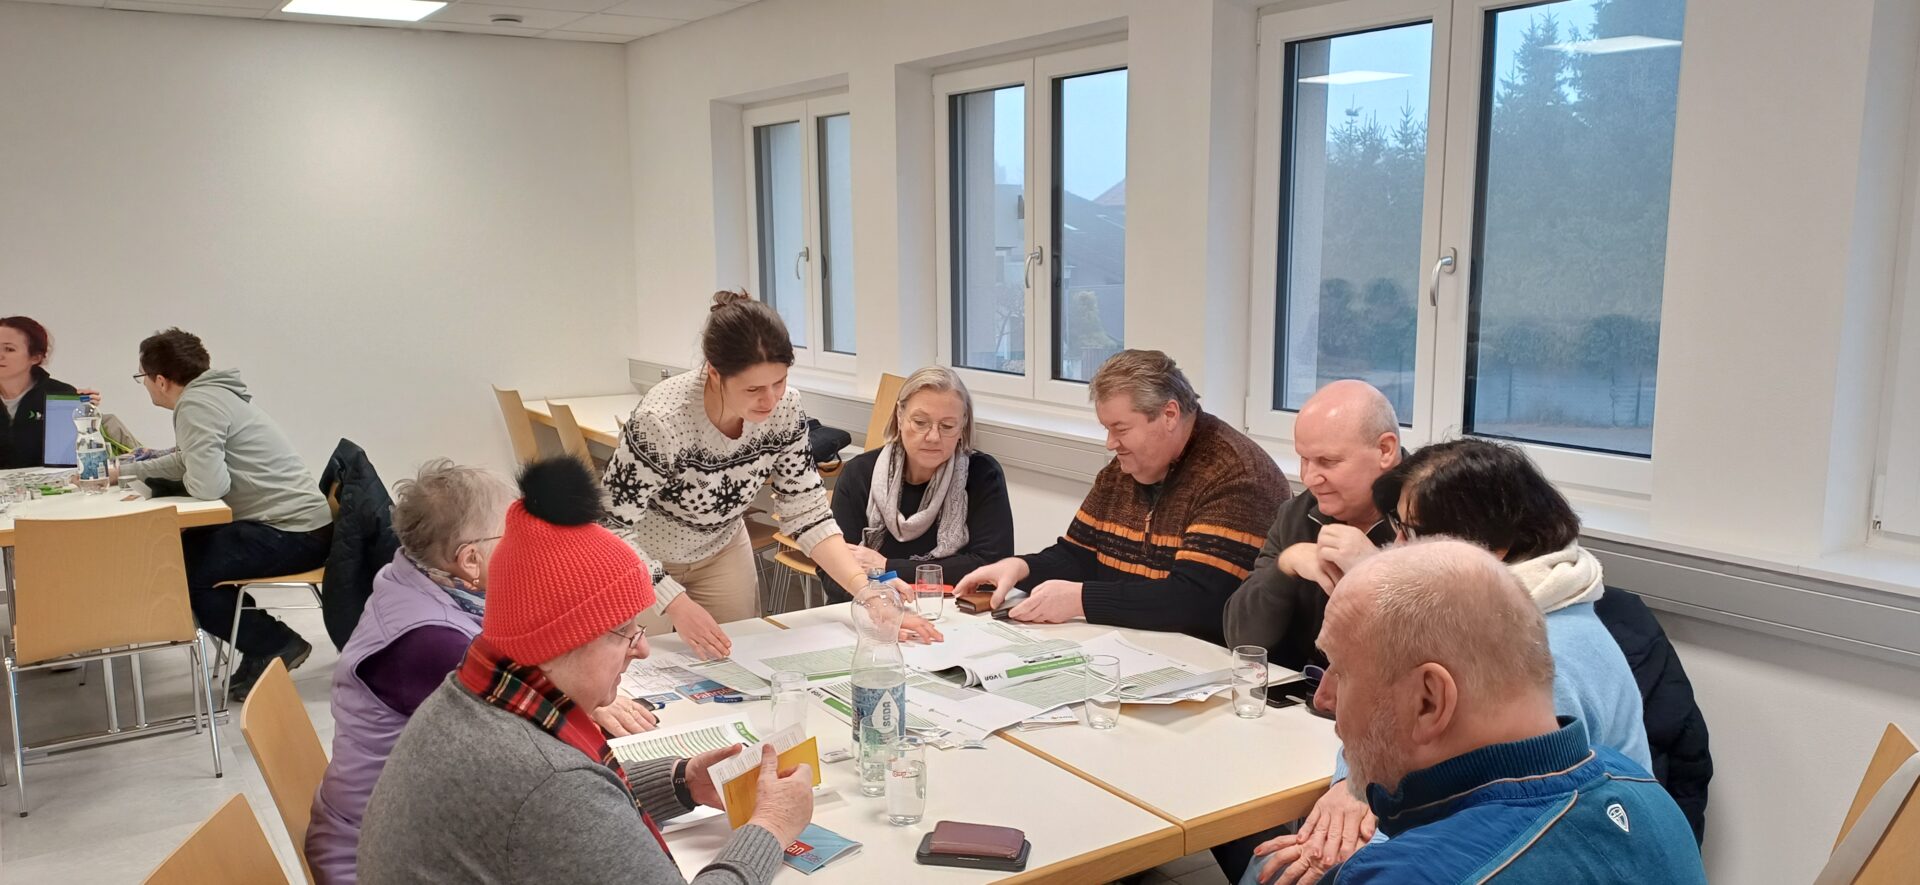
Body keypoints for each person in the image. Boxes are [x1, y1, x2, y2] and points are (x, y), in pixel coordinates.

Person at [358, 457, 814, 885]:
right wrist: (770, 828)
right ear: (565, 638)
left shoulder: (479, 689)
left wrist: (683, 781)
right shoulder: (552, 784)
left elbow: (569, 805)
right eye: (625, 632)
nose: (643, 650)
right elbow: (561, 798)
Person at [1247, 438, 1652, 884]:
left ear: (1491, 543)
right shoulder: (1495, 613)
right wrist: (1351, 784)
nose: (1395, 549)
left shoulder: (1534, 653)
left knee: (1275, 868)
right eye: (1396, 528)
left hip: (1532, 851)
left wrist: (1353, 823)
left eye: (1412, 533)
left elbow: (1499, 819)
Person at [307, 460, 658, 885]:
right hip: (367, 856)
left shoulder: (411, 579)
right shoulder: (433, 644)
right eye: (512, 535)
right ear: (470, 560)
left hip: (405, 829)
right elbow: (546, 784)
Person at [1278, 540, 1705, 883]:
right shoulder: (1648, 798)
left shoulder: (1407, 875)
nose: (1324, 697)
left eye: (1343, 671)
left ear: (1429, 701)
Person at [601, 291, 939, 659]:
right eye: (753, 389)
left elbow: (807, 512)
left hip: (721, 549)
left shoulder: (785, 408)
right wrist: (676, 603)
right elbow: (611, 526)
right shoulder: (661, 421)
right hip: (647, 556)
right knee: (644, 666)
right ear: (714, 372)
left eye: (779, 382)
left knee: (738, 660)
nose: (771, 399)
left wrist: (869, 595)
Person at [955, 350, 1289, 643]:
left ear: (1169, 415)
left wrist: (1081, 600)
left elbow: (1195, 601)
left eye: (1121, 429)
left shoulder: (1236, 475)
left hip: (1208, 662)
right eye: (1107, 429)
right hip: (1134, 646)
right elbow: (1079, 555)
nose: (1111, 443)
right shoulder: (1126, 468)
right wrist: (1021, 566)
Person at [115, 328, 333, 701]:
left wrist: (141, 472)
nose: (146, 386)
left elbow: (208, 487)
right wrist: (129, 470)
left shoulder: (197, 405)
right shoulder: (212, 395)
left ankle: (274, 642)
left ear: (161, 380)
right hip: (296, 525)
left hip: (292, 533)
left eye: (143, 378)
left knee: (180, 571)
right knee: (184, 552)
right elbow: (192, 461)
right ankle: (260, 644)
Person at [1224, 380, 1402, 671]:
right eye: (1304, 459)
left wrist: (1376, 571)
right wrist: (1284, 567)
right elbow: (1241, 639)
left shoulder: (1431, 512)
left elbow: (1450, 649)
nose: (1309, 478)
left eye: (1328, 461)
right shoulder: (1300, 513)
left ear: (1385, 450)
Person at [820, 366, 1014, 602]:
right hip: (874, 609)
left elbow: (992, 566)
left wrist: (886, 567)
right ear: (900, 417)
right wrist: (883, 594)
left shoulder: (982, 474)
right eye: (920, 422)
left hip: (954, 613)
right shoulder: (859, 474)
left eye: (947, 426)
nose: (933, 437)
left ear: (963, 426)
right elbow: (834, 573)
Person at [0, 316, 84, 469]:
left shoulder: (61, 395)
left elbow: (65, 462)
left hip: (51, 487)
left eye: (9, 349)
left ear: (35, 357)